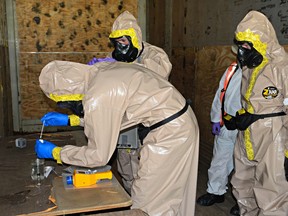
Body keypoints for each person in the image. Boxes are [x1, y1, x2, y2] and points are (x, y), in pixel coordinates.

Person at [35, 60, 199, 216]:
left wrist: (57, 152)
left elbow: (98, 156)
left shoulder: (97, 97)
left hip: (172, 133)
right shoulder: (100, 72)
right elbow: (112, 113)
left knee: (148, 203)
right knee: (172, 192)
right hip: (179, 120)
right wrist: (72, 120)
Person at [88, 11, 172, 194]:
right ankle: (131, 202)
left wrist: (121, 66)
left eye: (124, 42)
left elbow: (156, 77)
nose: (120, 47)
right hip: (127, 119)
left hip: (149, 121)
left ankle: (143, 204)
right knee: (126, 164)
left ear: (134, 39)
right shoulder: (121, 57)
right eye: (117, 43)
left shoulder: (154, 55)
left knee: (145, 170)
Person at [229, 10, 288, 215]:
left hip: (273, 135)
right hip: (247, 133)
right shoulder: (249, 67)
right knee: (241, 181)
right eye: (241, 44)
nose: (243, 50)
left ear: (261, 41)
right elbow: (249, 100)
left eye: (248, 44)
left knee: (272, 189)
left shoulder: (282, 67)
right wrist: (240, 116)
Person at [196, 61, 241, 215]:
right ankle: (215, 192)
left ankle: (244, 201)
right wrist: (216, 117)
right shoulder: (233, 69)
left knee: (245, 167)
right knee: (219, 160)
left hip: (248, 126)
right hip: (227, 123)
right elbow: (220, 94)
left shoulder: (264, 69)